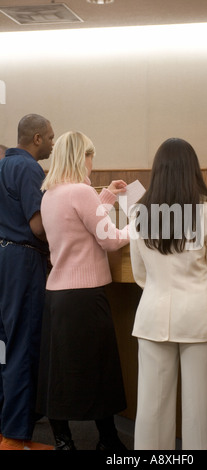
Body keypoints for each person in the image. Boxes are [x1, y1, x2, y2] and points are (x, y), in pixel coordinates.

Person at [129, 137, 207, 450]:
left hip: (153, 314)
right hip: (199, 315)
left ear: (157, 171)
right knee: (200, 411)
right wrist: (203, 299)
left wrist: (161, 290)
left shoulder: (139, 214)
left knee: (152, 409)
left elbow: (139, 274)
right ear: (191, 171)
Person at [36, 131, 130, 451]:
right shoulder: (82, 191)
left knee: (58, 373)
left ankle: (63, 442)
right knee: (99, 371)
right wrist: (140, 223)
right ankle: (108, 440)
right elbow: (111, 239)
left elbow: (78, 223)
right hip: (86, 296)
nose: (93, 163)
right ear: (82, 158)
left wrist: (106, 198)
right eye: (91, 156)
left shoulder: (50, 194)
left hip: (58, 295)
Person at [0, 114, 55, 450]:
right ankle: (16, 438)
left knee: (4, 347)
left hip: (3, 258)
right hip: (23, 261)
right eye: (49, 137)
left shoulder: (2, 165)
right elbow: (38, 226)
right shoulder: (30, 169)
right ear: (36, 139)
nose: (52, 141)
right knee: (23, 347)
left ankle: (4, 431)